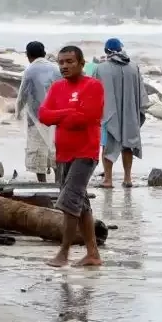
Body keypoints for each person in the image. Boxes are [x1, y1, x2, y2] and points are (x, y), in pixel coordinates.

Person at [38, 46, 104, 268]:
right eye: (61, 62)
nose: (64, 66)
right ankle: (93, 254)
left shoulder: (93, 86)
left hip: (85, 153)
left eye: (69, 61)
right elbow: (44, 115)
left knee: (69, 202)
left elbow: (87, 117)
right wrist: (66, 113)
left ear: (81, 63)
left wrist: (62, 115)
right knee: (81, 204)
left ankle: (64, 253)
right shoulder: (57, 87)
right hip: (63, 154)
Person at [93, 38, 148, 188]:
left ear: (106, 51)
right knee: (128, 145)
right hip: (130, 113)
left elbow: (94, 92)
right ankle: (128, 178)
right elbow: (141, 94)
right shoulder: (133, 67)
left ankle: (108, 180)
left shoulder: (100, 68)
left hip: (108, 114)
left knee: (107, 145)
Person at [16, 41, 60, 182]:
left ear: (28, 55)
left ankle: (43, 183)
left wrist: (18, 112)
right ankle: (59, 183)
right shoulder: (56, 69)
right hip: (57, 117)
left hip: (36, 119)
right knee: (55, 149)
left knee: (38, 151)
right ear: (44, 53)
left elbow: (22, 94)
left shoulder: (29, 70)